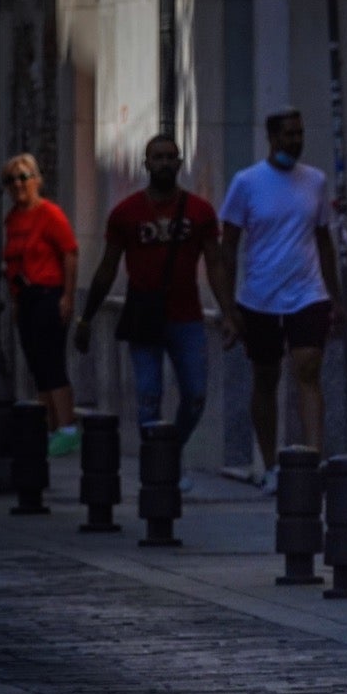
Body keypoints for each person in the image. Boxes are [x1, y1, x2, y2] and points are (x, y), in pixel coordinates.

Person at [76, 135, 236, 483]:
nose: (164, 163)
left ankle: (169, 451)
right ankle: (160, 465)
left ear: (179, 164)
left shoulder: (199, 212)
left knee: (195, 395)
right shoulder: (125, 214)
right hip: (145, 317)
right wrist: (86, 316)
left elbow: (216, 264)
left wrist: (228, 313)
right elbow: (107, 267)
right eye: (157, 157)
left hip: (187, 316)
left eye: (170, 157)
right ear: (146, 164)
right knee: (149, 396)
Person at [219, 107, 346, 494]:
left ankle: (312, 459)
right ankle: (272, 464)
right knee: (266, 377)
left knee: (308, 369)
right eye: (288, 134)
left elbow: (324, 240)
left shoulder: (315, 181)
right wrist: (227, 309)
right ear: (272, 137)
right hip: (260, 297)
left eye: (299, 133)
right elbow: (228, 247)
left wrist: (335, 297)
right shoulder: (246, 183)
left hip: (308, 294)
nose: (295, 140)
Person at [2, 153, 80, 456]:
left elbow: (70, 253)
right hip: (26, 298)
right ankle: (50, 428)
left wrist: (68, 296)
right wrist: (16, 302)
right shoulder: (12, 218)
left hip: (49, 293)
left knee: (51, 361)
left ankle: (68, 427)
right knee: (36, 364)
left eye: (23, 177)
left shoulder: (49, 213)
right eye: (11, 179)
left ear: (37, 180)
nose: (18, 184)